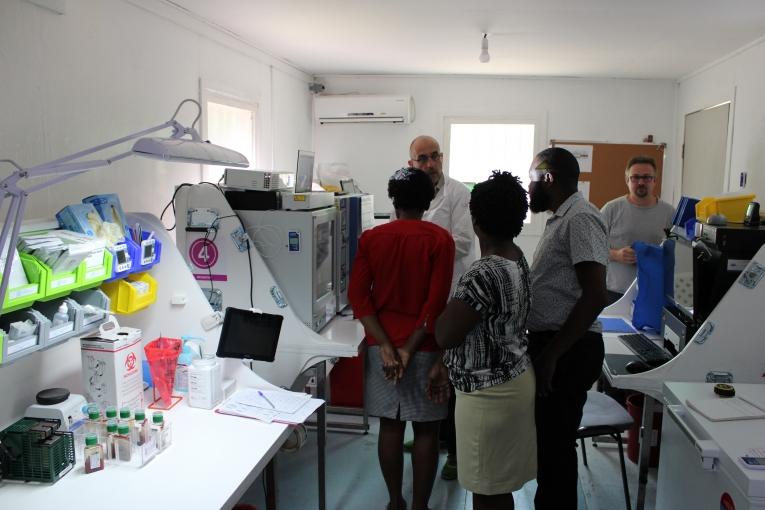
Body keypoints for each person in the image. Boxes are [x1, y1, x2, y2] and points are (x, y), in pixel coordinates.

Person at [349, 167, 454, 510]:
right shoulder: (440, 240)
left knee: (390, 428)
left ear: (393, 200)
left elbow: (359, 298)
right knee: (426, 432)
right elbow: (435, 303)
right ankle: (421, 506)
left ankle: (395, 502)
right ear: (429, 200)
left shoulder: (372, 239)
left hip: (383, 350)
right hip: (424, 347)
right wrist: (409, 349)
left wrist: (387, 347)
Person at [436, 171, 536, 510]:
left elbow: (445, 334)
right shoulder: (516, 257)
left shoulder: (482, 274)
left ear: (475, 221)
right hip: (514, 379)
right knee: (497, 487)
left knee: (486, 490)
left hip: (487, 395)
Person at [526, 147, 609, 510]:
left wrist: (551, 356)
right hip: (556, 345)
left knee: (556, 448)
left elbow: (594, 295)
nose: (530, 186)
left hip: (568, 350)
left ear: (549, 177)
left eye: (532, 177)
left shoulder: (580, 218)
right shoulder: (562, 217)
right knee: (550, 444)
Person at [407, 135, 476, 480]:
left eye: (435, 157)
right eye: (423, 158)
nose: (431, 164)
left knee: (453, 372)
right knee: (426, 368)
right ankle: (427, 434)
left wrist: (421, 245)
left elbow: (463, 242)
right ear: (412, 164)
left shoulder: (459, 193)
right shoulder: (407, 192)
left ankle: (456, 451)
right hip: (421, 298)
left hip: (452, 295)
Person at [601, 155, 675, 304]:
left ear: (654, 180)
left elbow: (676, 252)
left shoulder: (670, 213)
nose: (641, 182)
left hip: (653, 291)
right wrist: (616, 254)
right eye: (635, 177)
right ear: (627, 180)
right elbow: (590, 247)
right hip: (613, 292)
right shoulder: (611, 209)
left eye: (647, 177)